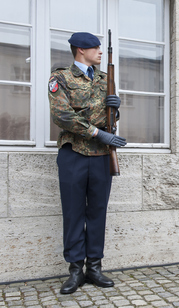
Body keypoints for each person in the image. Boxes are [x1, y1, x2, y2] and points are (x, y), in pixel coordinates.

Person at [48, 32, 127, 294]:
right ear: (81, 50)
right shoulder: (61, 77)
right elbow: (62, 115)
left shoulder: (106, 79)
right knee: (73, 213)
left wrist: (116, 107)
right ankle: (75, 270)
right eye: (96, 48)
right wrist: (97, 133)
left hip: (102, 156)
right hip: (74, 154)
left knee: (97, 212)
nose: (100, 52)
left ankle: (94, 267)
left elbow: (109, 117)